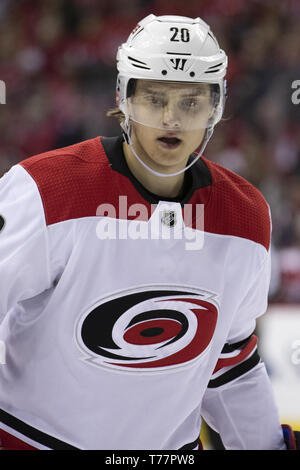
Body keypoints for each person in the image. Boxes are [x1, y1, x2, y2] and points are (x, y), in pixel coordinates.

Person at [0, 14, 298, 451]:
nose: (171, 119)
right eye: (154, 99)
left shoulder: (246, 216)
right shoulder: (44, 190)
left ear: (216, 106)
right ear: (123, 99)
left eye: (190, 102)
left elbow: (228, 359)